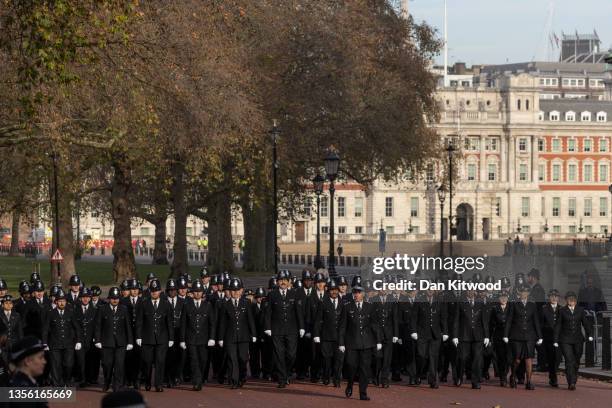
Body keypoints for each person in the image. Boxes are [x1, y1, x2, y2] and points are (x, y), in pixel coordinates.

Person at [338, 285, 381, 401]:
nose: (356, 294)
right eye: (355, 292)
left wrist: (378, 340)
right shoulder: (347, 307)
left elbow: (375, 325)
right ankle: (350, 384)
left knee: (364, 369)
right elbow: (342, 327)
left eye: (359, 292)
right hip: (352, 343)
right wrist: (341, 343)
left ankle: (363, 393)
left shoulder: (369, 307)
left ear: (363, 294)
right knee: (351, 367)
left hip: (366, 343)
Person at [264, 270, 305, 388]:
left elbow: (299, 312)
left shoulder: (294, 293)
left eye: (285, 280)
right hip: (276, 330)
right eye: (281, 280)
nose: (283, 282)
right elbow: (268, 313)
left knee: (291, 355)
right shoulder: (272, 295)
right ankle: (282, 379)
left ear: (289, 281)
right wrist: (268, 327)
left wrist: (301, 327)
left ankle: (286, 373)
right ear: (277, 282)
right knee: (279, 354)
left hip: (292, 329)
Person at [218, 278, 256, 389]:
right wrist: (220, 338)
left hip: (244, 336)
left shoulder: (246, 302)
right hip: (230, 337)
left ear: (241, 291)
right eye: (232, 290)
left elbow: (250, 320)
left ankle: (242, 377)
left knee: (242, 358)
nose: (235, 292)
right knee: (232, 359)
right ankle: (234, 381)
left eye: (237, 290)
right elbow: (222, 323)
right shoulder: (225, 304)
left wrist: (253, 334)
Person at [136, 278, 173, 392]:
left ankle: (158, 384)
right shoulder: (143, 304)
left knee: (160, 362)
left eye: (156, 290)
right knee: (147, 362)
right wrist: (138, 336)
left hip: (162, 338)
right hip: (147, 338)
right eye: (152, 291)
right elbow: (139, 321)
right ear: (150, 291)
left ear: (160, 291)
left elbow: (169, 322)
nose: (154, 293)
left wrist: (171, 338)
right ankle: (147, 381)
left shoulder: (166, 304)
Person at [94, 287, 133, 392]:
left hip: (121, 343)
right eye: (112, 298)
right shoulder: (102, 309)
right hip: (107, 342)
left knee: (119, 364)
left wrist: (130, 342)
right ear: (109, 299)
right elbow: (98, 326)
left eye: (116, 298)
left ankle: (117, 386)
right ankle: (107, 381)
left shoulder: (124, 309)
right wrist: (97, 340)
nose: (115, 300)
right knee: (107, 364)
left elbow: (128, 326)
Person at [504, 284, 542, 390]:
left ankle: (529, 382)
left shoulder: (532, 305)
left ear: (528, 293)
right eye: (522, 291)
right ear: (519, 293)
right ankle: (513, 375)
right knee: (517, 360)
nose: (524, 294)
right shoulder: (513, 305)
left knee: (528, 359)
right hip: (516, 336)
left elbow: (536, 322)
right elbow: (509, 320)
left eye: (526, 292)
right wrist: (506, 335)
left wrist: (540, 336)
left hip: (530, 336)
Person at [179, 280, 216, 391]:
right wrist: (182, 340)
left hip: (204, 339)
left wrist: (212, 338)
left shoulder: (208, 305)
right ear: (192, 293)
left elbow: (212, 323)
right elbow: (183, 323)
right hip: (191, 338)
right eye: (195, 291)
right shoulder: (187, 305)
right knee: (194, 360)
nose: (197, 294)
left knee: (203, 360)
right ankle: (197, 381)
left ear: (202, 293)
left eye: (199, 291)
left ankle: (200, 377)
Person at [554, 291, 593, 390]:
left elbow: (585, 323)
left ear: (575, 301)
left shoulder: (580, 310)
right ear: (567, 300)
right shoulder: (562, 311)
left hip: (578, 339)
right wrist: (555, 339)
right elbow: (558, 325)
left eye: (573, 299)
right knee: (569, 360)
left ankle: (574, 378)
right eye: (569, 299)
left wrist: (590, 334)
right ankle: (571, 382)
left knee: (576, 361)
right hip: (565, 339)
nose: (571, 301)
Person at [42, 289, 81, 387]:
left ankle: (66, 380)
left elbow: (77, 327)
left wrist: (78, 341)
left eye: (63, 301)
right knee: (56, 365)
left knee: (68, 364)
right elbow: (46, 329)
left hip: (68, 344)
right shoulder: (51, 313)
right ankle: (56, 384)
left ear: (66, 302)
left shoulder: (70, 312)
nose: (62, 303)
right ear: (56, 302)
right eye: (59, 301)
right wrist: (45, 342)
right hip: (55, 343)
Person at [412, 285, 448, 389]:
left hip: (435, 334)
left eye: (432, 289)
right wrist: (413, 331)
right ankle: (418, 374)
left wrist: (445, 332)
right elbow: (414, 318)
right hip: (422, 333)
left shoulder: (439, 301)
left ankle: (433, 380)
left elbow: (443, 318)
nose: (430, 291)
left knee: (433, 357)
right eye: (428, 289)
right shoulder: (419, 301)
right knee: (421, 356)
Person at [452, 289, 489, 389]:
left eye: (473, 290)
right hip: (464, 335)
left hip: (478, 336)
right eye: (469, 290)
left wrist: (487, 336)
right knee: (462, 358)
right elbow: (456, 320)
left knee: (477, 359)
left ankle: (475, 381)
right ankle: (459, 377)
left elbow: (484, 320)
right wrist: (455, 336)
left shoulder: (480, 303)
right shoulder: (460, 303)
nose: (471, 292)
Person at [313, 279, 344, 387]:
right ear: (328, 291)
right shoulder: (323, 303)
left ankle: (336, 380)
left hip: (340, 337)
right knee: (326, 360)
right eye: (332, 290)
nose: (334, 292)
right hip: (326, 336)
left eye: (335, 290)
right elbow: (318, 320)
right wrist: (316, 334)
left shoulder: (343, 302)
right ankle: (326, 378)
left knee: (338, 360)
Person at [8, 336, 48, 408]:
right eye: (40, 357)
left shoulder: (26, 383)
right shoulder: (22, 391)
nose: (44, 362)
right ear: (27, 361)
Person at [370, 289, 399, 388]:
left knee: (387, 358)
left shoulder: (392, 300)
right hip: (376, 334)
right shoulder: (373, 299)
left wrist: (396, 334)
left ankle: (385, 379)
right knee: (377, 357)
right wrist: (375, 332)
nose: (384, 290)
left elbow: (395, 318)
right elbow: (372, 319)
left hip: (388, 334)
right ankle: (375, 376)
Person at [74, 288, 97, 388]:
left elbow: (97, 325)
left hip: (91, 340)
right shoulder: (75, 310)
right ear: (80, 298)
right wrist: (76, 339)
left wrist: (96, 338)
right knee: (81, 361)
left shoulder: (95, 310)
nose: (85, 299)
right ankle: (82, 379)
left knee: (90, 360)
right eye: (83, 297)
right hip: (80, 340)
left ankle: (90, 378)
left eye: (87, 297)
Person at [541, 289, 562, 387]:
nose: (554, 298)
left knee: (557, 358)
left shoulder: (562, 309)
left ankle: (553, 374)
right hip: (548, 337)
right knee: (550, 358)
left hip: (558, 338)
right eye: (552, 296)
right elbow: (540, 323)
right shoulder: (544, 308)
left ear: (558, 298)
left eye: (556, 296)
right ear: (549, 297)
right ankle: (553, 378)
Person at [491, 290, 512, 387]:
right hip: (498, 336)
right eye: (501, 297)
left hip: (510, 336)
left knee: (508, 357)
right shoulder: (494, 309)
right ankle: (503, 378)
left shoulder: (511, 308)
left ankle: (507, 373)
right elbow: (491, 323)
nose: (503, 299)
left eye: (505, 297)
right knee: (501, 357)